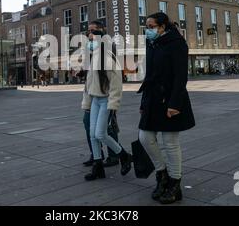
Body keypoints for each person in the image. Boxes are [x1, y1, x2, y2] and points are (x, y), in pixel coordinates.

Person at [138, 12, 195, 205]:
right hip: (152, 97)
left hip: (171, 97)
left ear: (162, 26)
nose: (148, 30)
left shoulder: (177, 43)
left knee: (170, 142)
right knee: (144, 137)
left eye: (151, 26)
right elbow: (150, 74)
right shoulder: (152, 43)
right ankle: (162, 174)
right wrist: (143, 102)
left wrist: (174, 104)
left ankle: (174, 183)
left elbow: (181, 76)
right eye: (147, 26)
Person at [81, 23, 132, 181]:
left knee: (100, 134)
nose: (89, 41)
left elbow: (116, 86)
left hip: (105, 101)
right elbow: (90, 83)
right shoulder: (94, 57)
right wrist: (87, 102)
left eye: (91, 39)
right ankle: (98, 166)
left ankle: (124, 155)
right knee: (93, 135)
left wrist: (113, 106)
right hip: (95, 99)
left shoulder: (109, 58)